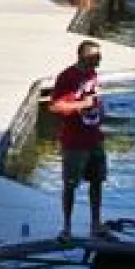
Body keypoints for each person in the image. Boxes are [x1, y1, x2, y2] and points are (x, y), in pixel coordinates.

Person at [50, 40, 107, 241]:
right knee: (70, 184)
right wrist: (82, 104)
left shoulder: (92, 74)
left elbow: (94, 99)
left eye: (99, 57)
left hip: (94, 137)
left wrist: (100, 110)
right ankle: (66, 227)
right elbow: (55, 106)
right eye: (95, 57)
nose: (99, 60)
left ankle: (96, 224)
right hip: (74, 141)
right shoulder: (67, 77)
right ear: (82, 56)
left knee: (98, 181)